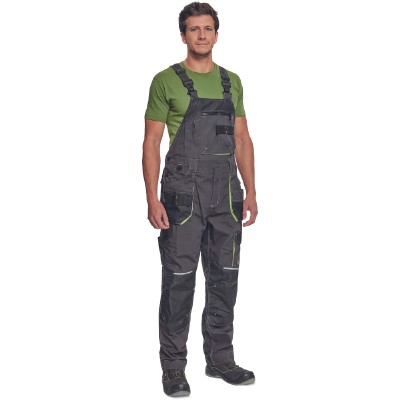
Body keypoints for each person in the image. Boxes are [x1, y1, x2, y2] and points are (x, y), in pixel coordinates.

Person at [142, 2, 258, 397]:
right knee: (179, 280)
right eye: (194, 29)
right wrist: (152, 197)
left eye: (208, 28)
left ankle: (221, 359)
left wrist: (251, 190)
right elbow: (151, 142)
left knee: (225, 276)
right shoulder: (165, 81)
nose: (202, 35)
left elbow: (242, 138)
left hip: (226, 193)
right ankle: (173, 367)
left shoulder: (232, 82)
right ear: (183, 35)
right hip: (182, 195)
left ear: (216, 34)